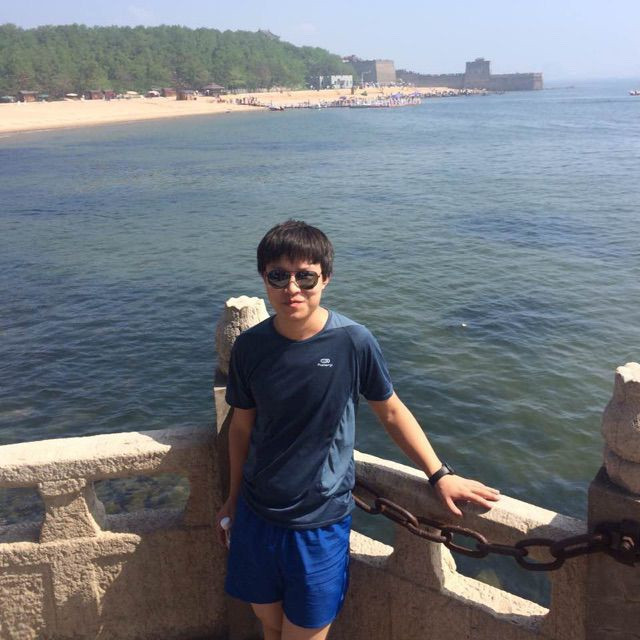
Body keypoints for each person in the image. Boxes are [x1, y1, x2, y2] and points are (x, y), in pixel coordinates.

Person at [216, 220, 500, 640]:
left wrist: (439, 473)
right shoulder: (250, 347)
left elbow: (392, 412)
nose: (292, 288)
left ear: (325, 279)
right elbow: (241, 428)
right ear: (264, 279)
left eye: (305, 277)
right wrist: (233, 498)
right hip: (257, 513)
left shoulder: (353, 342)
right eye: (278, 276)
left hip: (319, 521)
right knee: (269, 623)